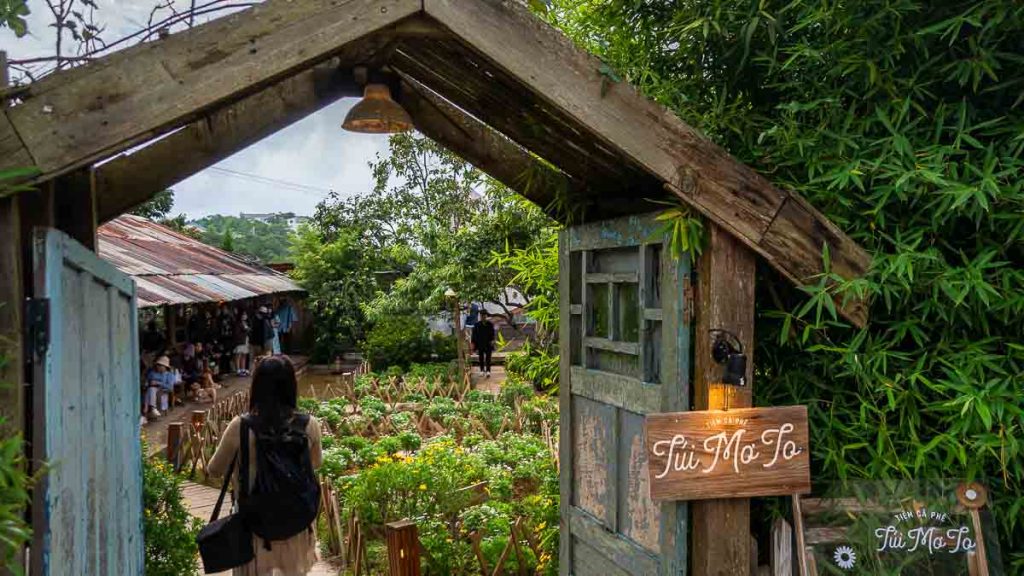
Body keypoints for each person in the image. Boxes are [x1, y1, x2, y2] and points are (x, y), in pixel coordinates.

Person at [207, 356, 323, 576]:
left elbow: (214, 470)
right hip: (296, 526)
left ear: (257, 386)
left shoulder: (240, 426)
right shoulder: (309, 425)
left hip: (254, 528)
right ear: (291, 386)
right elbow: (315, 464)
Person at [471, 311, 497, 377]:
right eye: (482, 315)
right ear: (480, 316)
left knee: (488, 358)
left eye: (484, 315)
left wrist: (493, 340)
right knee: (481, 358)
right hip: (480, 344)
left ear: (486, 316)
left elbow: (493, 334)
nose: (483, 317)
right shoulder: (477, 325)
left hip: (488, 343)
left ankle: (488, 371)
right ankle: (482, 370)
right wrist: (473, 344)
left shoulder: (490, 324)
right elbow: (474, 335)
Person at [234, 311, 251, 376]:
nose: (244, 316)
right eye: (243, 315)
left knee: (244, 355)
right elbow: (236, 333)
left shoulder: (246, 322)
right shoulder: (238, 323)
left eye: (245, 314)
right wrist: (245, 330)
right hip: (240, 341)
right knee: (238, 355)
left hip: (246, 340)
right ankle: (238, 370)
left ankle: (243, 369)